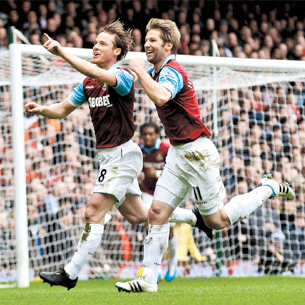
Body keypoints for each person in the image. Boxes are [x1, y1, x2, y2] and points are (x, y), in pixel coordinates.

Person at [115, 18, 295, 293]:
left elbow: (161, 96)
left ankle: (267, 189)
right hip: (177, 152)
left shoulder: (173, 70)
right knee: (157, 212)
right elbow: (134, 86)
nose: (147, 44)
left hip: (198, 153)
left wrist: (138, 70)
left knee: (218, 221)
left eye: (153, 40)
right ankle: (149, 279)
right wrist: (108, 73)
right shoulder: (156, 71)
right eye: (146, 40)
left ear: (168, 45)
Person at [25, 20, 200, 291]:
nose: (95, 46)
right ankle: (193, 217)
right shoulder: (88, 83)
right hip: (107, 157)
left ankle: (70, 273)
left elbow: (96, 72)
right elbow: (61, 109)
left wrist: (62, 52)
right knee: (139, 215)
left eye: (102, 43)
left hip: (123, 155)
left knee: (93, 210)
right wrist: (40, 110)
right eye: (95, 42)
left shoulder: (123, 76)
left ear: (117, 52)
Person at [138, 122, 179, 282]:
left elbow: (176, 172)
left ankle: (173, 263)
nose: (148, 137)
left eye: (151, 134)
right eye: (145, 134)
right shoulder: (139, 150)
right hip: (148, 193)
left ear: (156, 135)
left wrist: (156, 173)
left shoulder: (166, 149)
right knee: (150, 228)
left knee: (169, 232)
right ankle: (155, 268)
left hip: (168, 193)